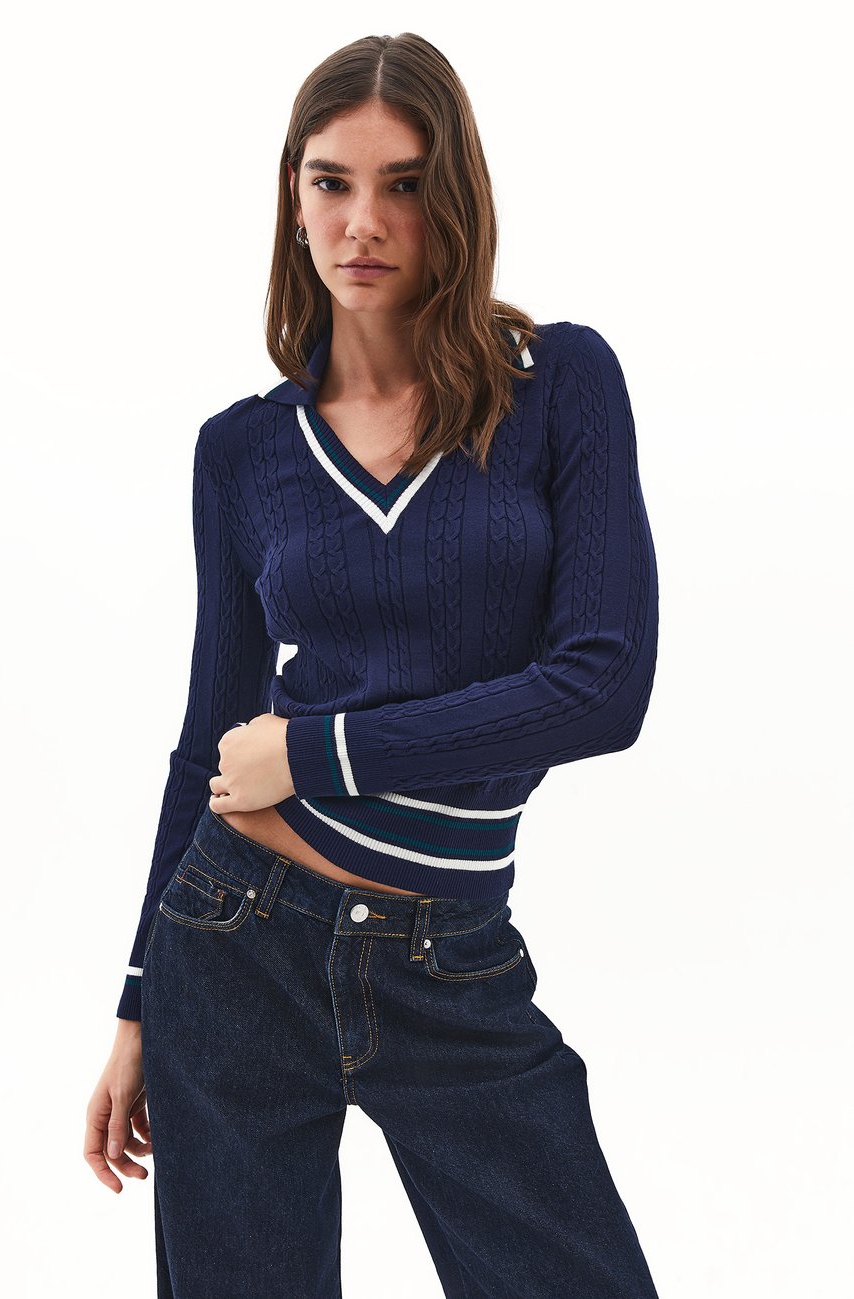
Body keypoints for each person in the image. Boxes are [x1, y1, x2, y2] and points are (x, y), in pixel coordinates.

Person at [84, 30, 662, 1299]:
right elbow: (207, 736)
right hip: (230, 938)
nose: (362, 221)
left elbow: (603, 687)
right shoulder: (242, 450)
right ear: (292, 200)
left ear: (455, 200)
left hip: (451, 956)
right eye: (330, 182)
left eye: (404, 184)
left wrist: (319, 751)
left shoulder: (558, 383)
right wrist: (137, 1005)